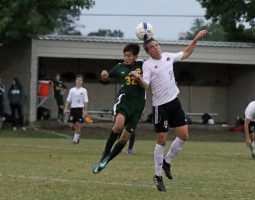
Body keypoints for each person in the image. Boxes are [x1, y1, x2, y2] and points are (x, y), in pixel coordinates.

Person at [130, 30, 208, 192]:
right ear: (148, 51)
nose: (156, 48)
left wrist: (196, 39)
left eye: (157, 45)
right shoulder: (148, 65)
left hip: (174, 103)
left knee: (184, 136)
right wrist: (138, 79)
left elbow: (186, 53)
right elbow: (147, 86)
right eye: (152, 47)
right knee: (162, 141)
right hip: (161, 107)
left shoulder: (168, 56)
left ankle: (167, 161)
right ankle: (158, 176)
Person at [92, 43, 146, 174]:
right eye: (125, 55)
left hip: (139, 104)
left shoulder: (143, 65)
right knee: (118, 126)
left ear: (136, 56)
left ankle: (106, 161)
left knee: (125, 137)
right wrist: (104, 76)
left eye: (129, 56)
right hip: (124, 100)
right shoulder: (119, 67)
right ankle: (105, 153)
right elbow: (105, 78)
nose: (126, 58)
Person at [64, 74, 88, 144]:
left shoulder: (84, 90)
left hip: (80, 109)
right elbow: (68, 100)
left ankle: (75, 140)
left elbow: (86, 101)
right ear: (75, 81)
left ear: (82, 82)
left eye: (80, 80)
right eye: (77, 80)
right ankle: (77, 134)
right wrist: (65, 108)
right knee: (71, 126)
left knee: (78, 125)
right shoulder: (72, 90)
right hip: (73, 109)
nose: (78, 81)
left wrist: (85, 110)